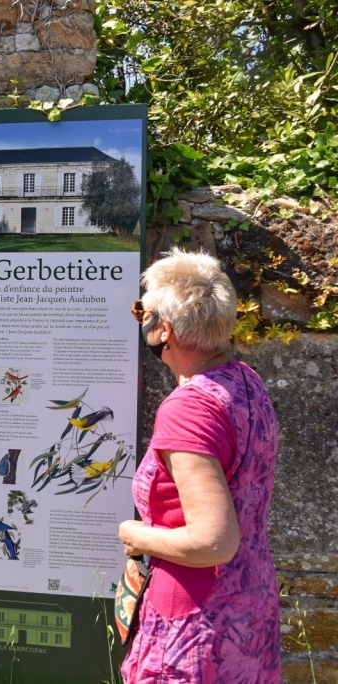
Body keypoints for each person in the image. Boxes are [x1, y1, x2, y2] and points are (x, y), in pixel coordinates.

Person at [119, 248, 280, 683]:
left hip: (196, 623)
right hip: (250, 605)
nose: (141, 321)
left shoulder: (188, 410)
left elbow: (214, 541)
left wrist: (137, 535)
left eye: (142, 312)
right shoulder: (245, 381)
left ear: (163, 330)